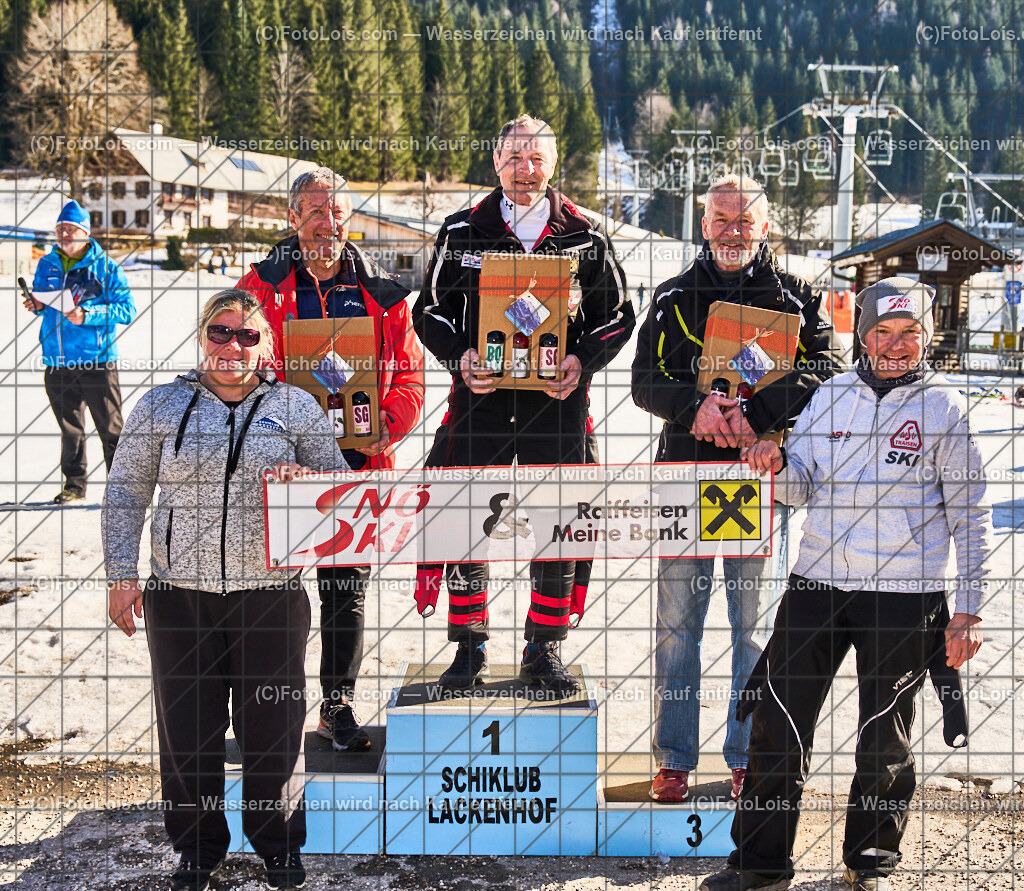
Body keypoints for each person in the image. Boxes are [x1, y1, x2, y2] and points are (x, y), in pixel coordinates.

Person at [701, 278, 991, 891]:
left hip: (906, 595)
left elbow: (972, 514)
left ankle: (870, 863)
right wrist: (777, 464)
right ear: (861, 336)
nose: (895, 344)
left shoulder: (944, 409)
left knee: (884, 738)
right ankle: (760, 864)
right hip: (816, 585)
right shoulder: (831, 395)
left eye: (909, 333)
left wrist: (968, 611)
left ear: (927, 337)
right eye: (881, 332)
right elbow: (803, 482)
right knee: (776, 723)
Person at [103, 290, 344, 891]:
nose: (232, 346)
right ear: (202, 336)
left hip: (270, 594)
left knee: (274, 727)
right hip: (179, 596)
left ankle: (280, 847)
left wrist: (305, 481)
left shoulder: (295, 407)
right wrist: (120, 573)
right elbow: (126, 492)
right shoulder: (162, 405)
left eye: (247, 336)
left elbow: (342, 491)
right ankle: (196, 850)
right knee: (188, 729)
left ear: (265, 347)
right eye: (220, 332)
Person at [631, 174, 842, 803]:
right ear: (703, 224)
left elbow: (827, 369)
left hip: (759, 479)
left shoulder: (798, 297)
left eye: (744, 220)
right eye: (721, 219)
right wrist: (692, 407)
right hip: (684, 475)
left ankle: (748, 755)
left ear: (766, 226)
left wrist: (763, 415)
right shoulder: (673, 298)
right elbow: (644, 381)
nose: (732, 231)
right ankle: (674, 758)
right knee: (677, 626)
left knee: (752, 626)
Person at [413, 114, 634, 696]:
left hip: (556, 406)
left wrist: (582, 360)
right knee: (461, 521)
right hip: (478, 404)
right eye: (513, 158)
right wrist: (461, 356)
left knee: (559, 527)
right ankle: (468, 648)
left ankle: (544, 649)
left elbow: (619, 315)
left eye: (536, 158)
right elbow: (427, 311)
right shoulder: (462, 230)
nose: (524, 169)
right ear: (495, 162)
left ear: (552, 164)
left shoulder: (584, 235)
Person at [238, 167, 424, 750]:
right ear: (293, 219)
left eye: (336, 211)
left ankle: (335, 705)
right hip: (282, 468)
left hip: (357, 466)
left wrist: (386, 428)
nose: (328, 222)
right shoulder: (261, 286)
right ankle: (266, 713)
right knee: (272, 596)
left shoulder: (382, 292)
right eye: (316, 212)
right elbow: (235, 371)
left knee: (345, 592)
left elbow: (410, 377)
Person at [22, 199, 136, 503]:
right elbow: (45, 302)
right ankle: (74, 485)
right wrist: (36, 305)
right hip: (57, 361)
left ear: (85, 233)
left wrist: (88, 315)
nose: (63, 234)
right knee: (70, 429)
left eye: (70, 229)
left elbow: (127, 310)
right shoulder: (47, 263)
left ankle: (122, 490)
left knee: (111, 429)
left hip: (97, 361)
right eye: (60, 229)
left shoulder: (106, 267)